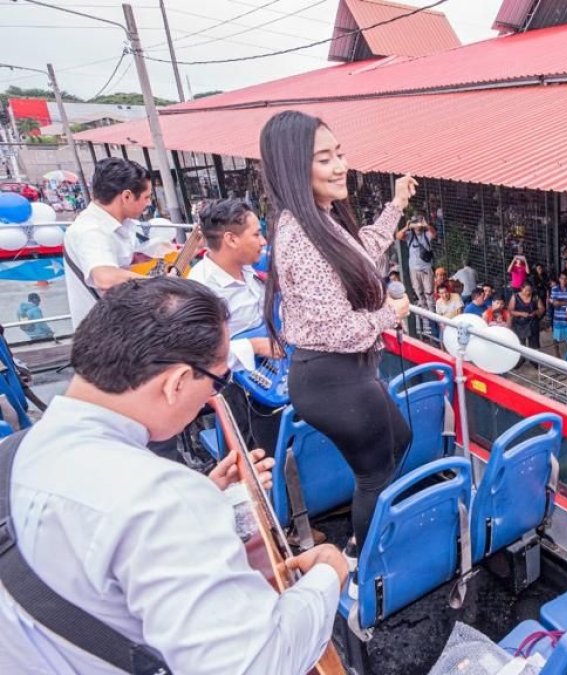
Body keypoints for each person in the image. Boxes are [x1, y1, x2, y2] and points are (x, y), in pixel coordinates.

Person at [0, 277, 348, 673]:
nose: (215, 394)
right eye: (219, 380)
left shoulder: (13, 454)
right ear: (177, 382)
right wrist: (326, 576)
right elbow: (255, 664)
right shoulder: (163, 498)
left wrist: (206, 499)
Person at [260, 111, 412, 562]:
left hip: (349, 372)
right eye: (324, 158)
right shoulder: (300, 237)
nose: (340, 165)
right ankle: (362, 563)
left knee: (398, 440)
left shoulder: (320, 221)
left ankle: (366, 538)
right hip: (332, 377)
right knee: (373, 474)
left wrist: (396, 205)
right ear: (293, 167)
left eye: (339, 153)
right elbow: (337, 330)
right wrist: (389, 313)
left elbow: (360, 252)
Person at [187, 198, 282, 456]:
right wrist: (254, 346)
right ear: (230, 239)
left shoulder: (252, 268)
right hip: (235, 388)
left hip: (271, 375)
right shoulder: (200, 290)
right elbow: (196, 355)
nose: (263, 241)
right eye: (256, 234)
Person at [63, 157, 152, 329]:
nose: (148, 203)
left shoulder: (118, 224)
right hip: (105, 337)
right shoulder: (91, 230)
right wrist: (162, 284)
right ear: (126, 196)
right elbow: (104, 277)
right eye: (146, 197)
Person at [396, 212, 436, 311]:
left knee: (429, 291)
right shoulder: (410, 235)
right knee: (418, 291)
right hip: (414, 268)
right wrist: (407, 226)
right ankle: (424, 309)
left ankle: (432, 311)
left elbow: (434, 234)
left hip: (426, 267)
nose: (417, 226)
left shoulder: (426, 234)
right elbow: (398, 236)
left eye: (418, 223)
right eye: (415, 223)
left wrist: (426, 225)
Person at [549, 271, 567, 356]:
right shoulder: (554, 289)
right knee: (556, 338)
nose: (563, 280)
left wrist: (560, 302)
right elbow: (554, 303)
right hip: (558, 319)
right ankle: (557, 353)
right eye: (562, 278)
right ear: (559, 279)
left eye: (565, 279)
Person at [508, 281, 544, 349]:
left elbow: (542, 308)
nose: (528, 292)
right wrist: (521, 314)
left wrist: (536, 312)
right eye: (526, 290)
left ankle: (532, 359)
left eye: (530, 290)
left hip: (533, 323)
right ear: (521, 288)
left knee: (534, 346)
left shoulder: (535, 296)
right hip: (519, 324)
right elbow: (510, 310)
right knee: (520, 345)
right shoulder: (515, 296)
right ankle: (521, 359)